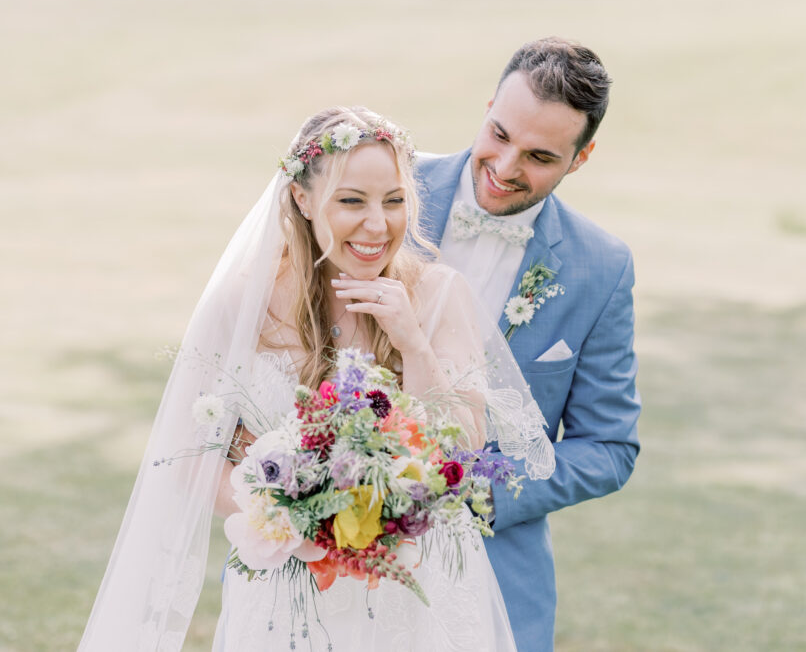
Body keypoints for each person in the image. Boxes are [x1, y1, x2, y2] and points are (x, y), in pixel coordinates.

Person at [78, 106, 554, 651]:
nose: (378, 225)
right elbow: (190, 455)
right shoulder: (242, 303)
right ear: (303, 200)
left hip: (418, 592)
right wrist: (303, 525)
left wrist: (411, 340)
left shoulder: (440, 294)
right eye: (352, 201)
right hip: (285, 588)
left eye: (394, 201)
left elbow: (464, 445)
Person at [415, 37, 642, 651]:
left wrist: (487, 491)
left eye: (540, 156)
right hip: (337, 554)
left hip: (489, 575)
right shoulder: (385, 190)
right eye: (499, 133)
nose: (507, 166)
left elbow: (609, 446)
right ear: (489, 105)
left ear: (581, 157)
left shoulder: (602, 267)